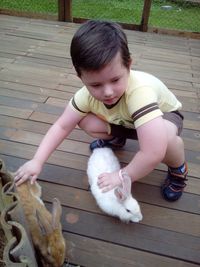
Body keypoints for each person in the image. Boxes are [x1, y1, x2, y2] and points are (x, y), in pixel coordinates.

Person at [14, 20, 188, 202]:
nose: (107, 92)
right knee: (83, 119)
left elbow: (153, 153)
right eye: (96, 84)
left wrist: (121, 175)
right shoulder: (85, 96)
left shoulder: (140, 92)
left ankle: (178, 171)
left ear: (129, 65)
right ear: (80, 76)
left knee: (166, 139)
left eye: (115, 80)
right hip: (130, 120)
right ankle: (117, 138)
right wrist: (37, 161)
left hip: (163, 116)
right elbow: (62, 126)